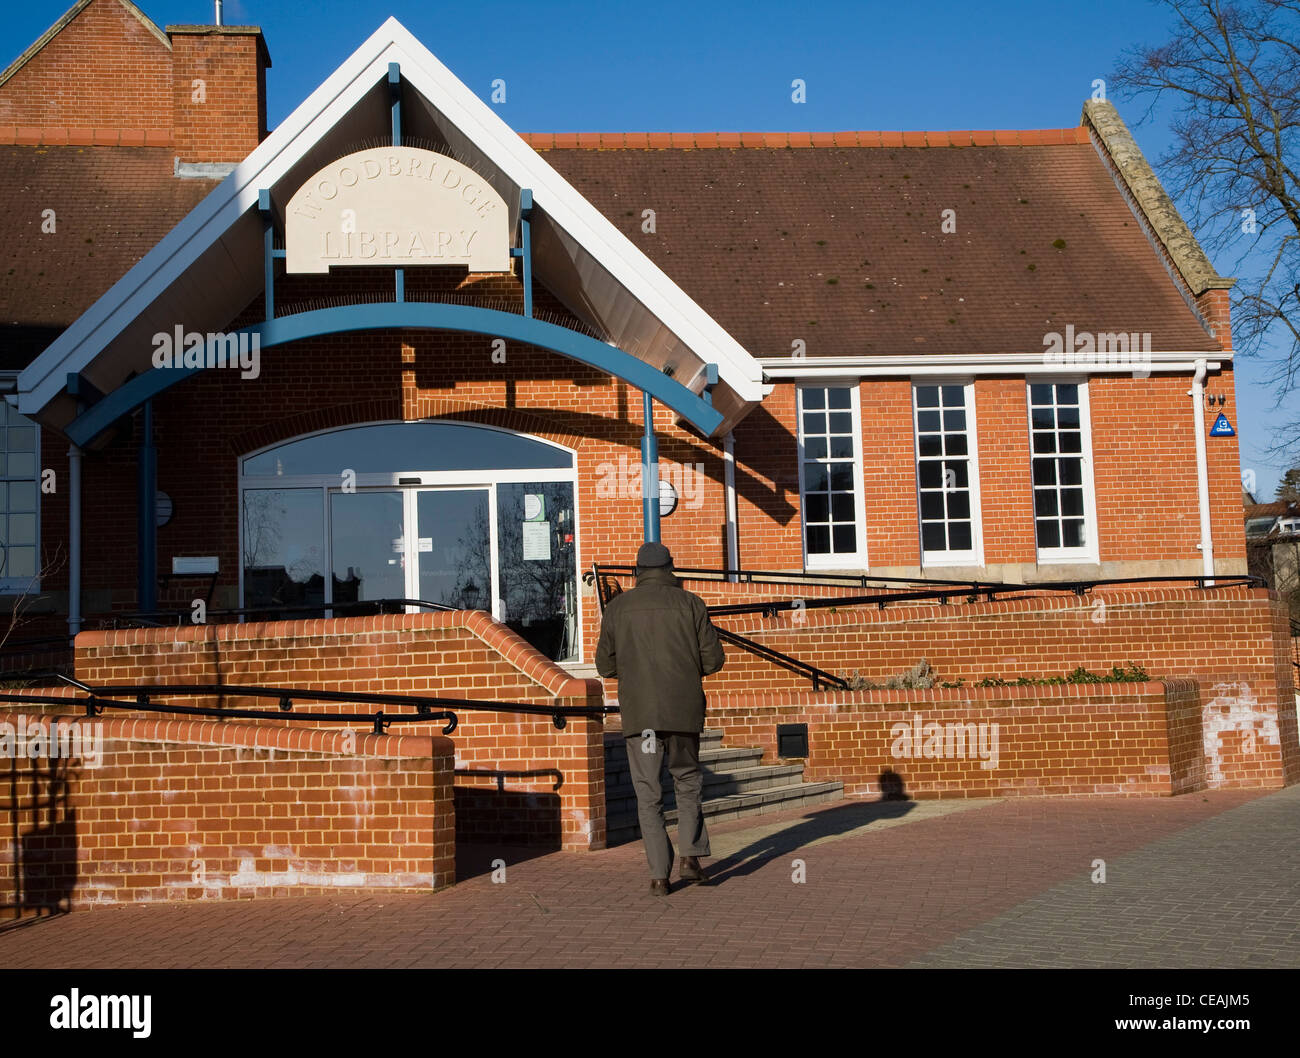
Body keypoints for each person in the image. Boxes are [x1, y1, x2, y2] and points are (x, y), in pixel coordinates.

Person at [595, 541, 726, 895]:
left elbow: (604, 665)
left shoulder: (617, 608)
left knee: (648, 792)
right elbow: (714, 660)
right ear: (670, 567)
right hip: (683, 712)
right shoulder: (691, 604)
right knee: (686, 781)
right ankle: (691, 856)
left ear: (637, 571)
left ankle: (658, 875)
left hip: (642, 718)